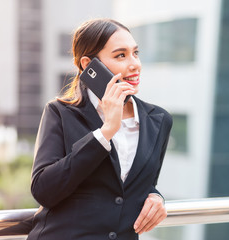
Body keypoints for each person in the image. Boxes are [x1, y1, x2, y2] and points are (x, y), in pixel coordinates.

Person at [27, 18, 173, 240]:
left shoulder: (158, 120)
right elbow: (43, 190)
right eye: (120, 55)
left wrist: (156, 197)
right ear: (89, 65)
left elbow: (141, 182)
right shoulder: (60, 113)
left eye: (136, 53)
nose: (134, 64)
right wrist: (105, 133)